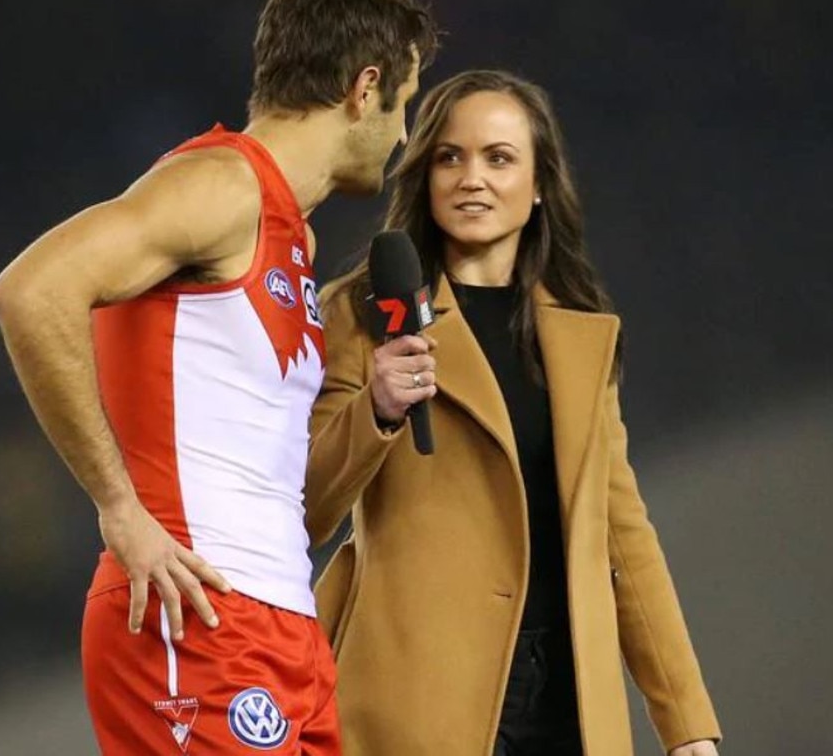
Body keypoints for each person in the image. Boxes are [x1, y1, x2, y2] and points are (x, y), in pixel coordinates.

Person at [0, 0, 438, 752]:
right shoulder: (221, 186)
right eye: (404, 105)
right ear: (365, 89)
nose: (402, 135)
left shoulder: (289, 239)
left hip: (280, 629)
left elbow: (276, 489)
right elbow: (30, 293)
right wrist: (120, 508)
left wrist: (377, 411)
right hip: (195, 618)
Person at [306, 70, 722, 756]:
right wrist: (374, 411)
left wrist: (687, 726)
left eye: (499, 158)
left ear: (536, 187)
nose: (473, 178)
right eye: (451, 157)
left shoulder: (581, 338)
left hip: (568, 700)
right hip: (416, 697)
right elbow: (306, 508)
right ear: (425, 176)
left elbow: (623, 537)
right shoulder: (361, 313)